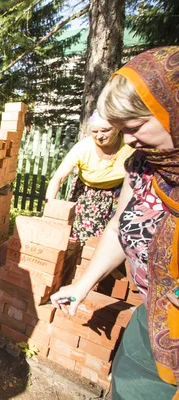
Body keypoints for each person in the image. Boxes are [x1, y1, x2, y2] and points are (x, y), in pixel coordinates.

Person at [51, 46, 179, 399]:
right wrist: (81, 286)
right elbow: (118, 227)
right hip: (152, 323)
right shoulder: (143, 166)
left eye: (135, 126)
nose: (130, 140)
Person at [45, 111, 134, 243]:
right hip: (87, 195)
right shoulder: (83, 148)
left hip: (119, 194)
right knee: (79, 237)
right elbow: (58, 178)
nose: (99, 136)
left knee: (113, 238)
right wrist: (49, 206)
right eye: (94, 131)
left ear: (117, 127)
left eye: (105, 130)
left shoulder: (130, 147)